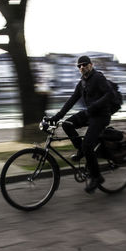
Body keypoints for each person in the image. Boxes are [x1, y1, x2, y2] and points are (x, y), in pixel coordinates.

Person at [46, 56, 114, 194]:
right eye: (79, 66)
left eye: (84, 65)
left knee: (88, 145)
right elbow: (71, 100)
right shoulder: (82, 82)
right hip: (90, 114)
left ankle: (97, 177)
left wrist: (95, 105)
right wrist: (56, 117)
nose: (81, 67)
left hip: (101, 116)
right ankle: (82, 150)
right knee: (67, 124)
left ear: (91, 65)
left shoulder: (98, 78)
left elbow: (110, 94)